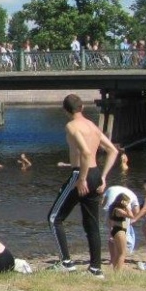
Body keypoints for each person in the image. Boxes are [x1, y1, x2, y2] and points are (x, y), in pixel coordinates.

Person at [47, 93, 118, 278]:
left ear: (65, 110)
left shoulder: (71, 126)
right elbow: (113, 150)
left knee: (54, 218)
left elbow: (85, 153)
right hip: (95, 174)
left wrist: (82, 179)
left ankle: (66, 263)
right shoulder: (92, 126)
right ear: (82, 107)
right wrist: (103, 177)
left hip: (81, 174)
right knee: (91, 224)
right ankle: (95, 269)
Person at [101, 185, 139, 263]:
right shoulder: (132, 196)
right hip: (121, 221)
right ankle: (117, 258)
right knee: (123, 237)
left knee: (111, 237)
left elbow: (102, 202)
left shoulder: (110, 189)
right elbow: (135, 212)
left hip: (110, 210)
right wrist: (132, 218)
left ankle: (113, 258)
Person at [105, 192, 134, 271]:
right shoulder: (118, 210)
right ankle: (119, 271)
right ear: (122, 201)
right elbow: (131, 216)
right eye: (126, 202)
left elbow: (110, 222)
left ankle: (115, 269)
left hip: (117, 230)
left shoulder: (114, 208)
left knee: (118, 252)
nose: (127, 204)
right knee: (122, 253)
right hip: (119, 231)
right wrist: (127, 207)